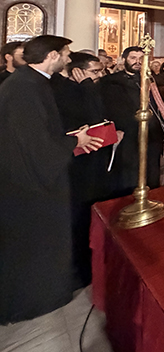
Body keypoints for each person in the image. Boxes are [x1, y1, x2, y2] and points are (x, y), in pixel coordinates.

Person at [0, 35, 103, 324]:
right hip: (31, 183)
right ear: (52, 55)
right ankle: (35, 301)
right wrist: (74, 142)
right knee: (35, 243)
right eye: (65, 54)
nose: (69, 59)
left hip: (28, 176)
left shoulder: (31, 82)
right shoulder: (26, 88)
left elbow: (38, 132)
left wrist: (69, 137)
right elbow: (35, 144)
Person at [51, 52, 110, 287]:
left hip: (88, 159)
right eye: (94, 72)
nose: (99, 76)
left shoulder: (84, 87)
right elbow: (95, 116)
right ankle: (77, 269)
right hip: (74, 162)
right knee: (76, 214)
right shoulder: (68, 90)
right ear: (77, 71)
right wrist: (87, 86)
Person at [98, 46, 164, 195]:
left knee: (151, 171)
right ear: (124, 59)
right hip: (126, 134)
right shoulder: (111, 81)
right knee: (127, 174)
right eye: (133, 58)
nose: (137, 62)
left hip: (151, 134)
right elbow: (108, 108)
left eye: (141, 59)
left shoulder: (153, 81)